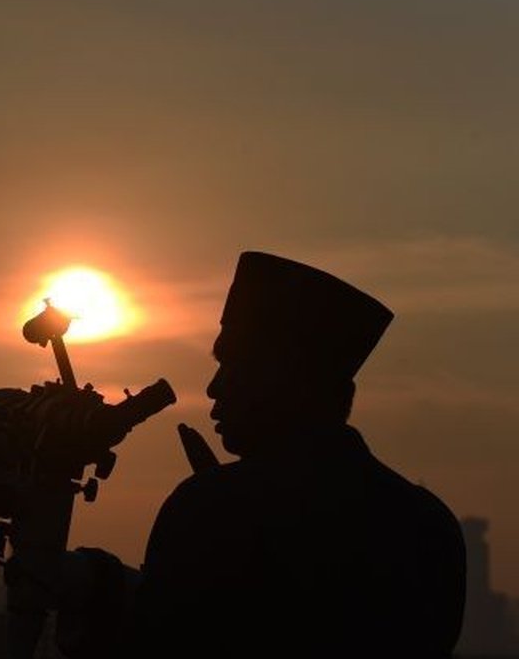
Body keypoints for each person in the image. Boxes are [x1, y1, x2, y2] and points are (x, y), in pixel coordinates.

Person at [61, 251, 467, 659]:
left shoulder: (211, 508)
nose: (214, 389)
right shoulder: (430, 526)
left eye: (233, 366)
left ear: (285, 379)